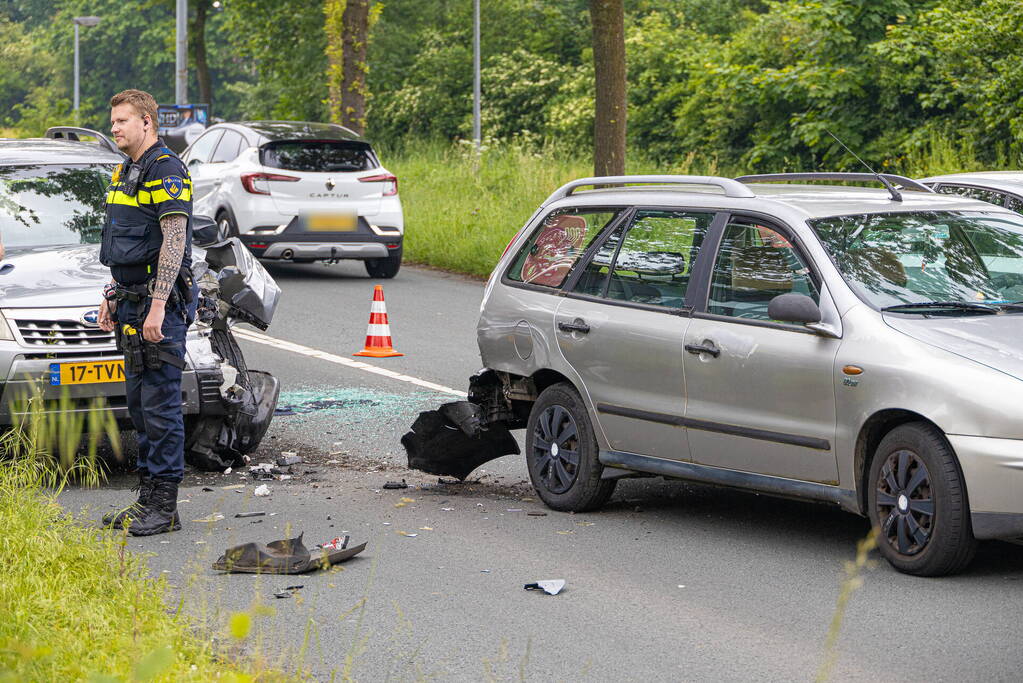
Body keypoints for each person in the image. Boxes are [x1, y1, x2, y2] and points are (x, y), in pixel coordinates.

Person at [98, 89, 197, 536]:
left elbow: (174, 242)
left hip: (159, 309)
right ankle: (146, 501)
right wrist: (111, 292)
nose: (114, 127)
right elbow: (126, 243)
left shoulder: (166, 169)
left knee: (161, 410)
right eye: (113, 121)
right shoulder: (126, 171)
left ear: (147, 123)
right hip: (131, 305)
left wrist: (158, 305)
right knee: (139, 408)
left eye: (122, 121)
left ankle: (165, 507)